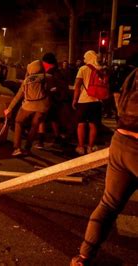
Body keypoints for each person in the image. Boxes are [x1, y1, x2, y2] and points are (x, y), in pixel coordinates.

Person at [71, 59, 138, 266]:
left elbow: (118, 96)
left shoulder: (134, 73)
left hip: (121, 140)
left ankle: (83, 257)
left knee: (108, 205)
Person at [4, 60, 56, 156]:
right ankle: (27, 148)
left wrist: (9, 109)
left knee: (18, 121)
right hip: (43, 106)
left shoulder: (26, 80)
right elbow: (53, 90)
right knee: (34, 126)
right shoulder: (47, 77)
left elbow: (18, 97)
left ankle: (17, 147)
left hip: (28, 105)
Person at [72, 50, 102, 155]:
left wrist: (75, 100)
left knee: (81, 124)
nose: (84, 60)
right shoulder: (101, 69)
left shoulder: (83, 69)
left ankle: (81, 146)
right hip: (97, 101)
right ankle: (90, 147)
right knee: (93, 125)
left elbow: (77, 86)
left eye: (85, 58)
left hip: (84, 100)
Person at [37, 52, 68, 148]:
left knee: (40, 119)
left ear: (47, 63)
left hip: (51, 100)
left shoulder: (53, 73)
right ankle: (57, 137)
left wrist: (54, 90)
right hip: (54, 100)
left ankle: (40, 142)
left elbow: (61, 86)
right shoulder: (56, 71)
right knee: (53, 119)